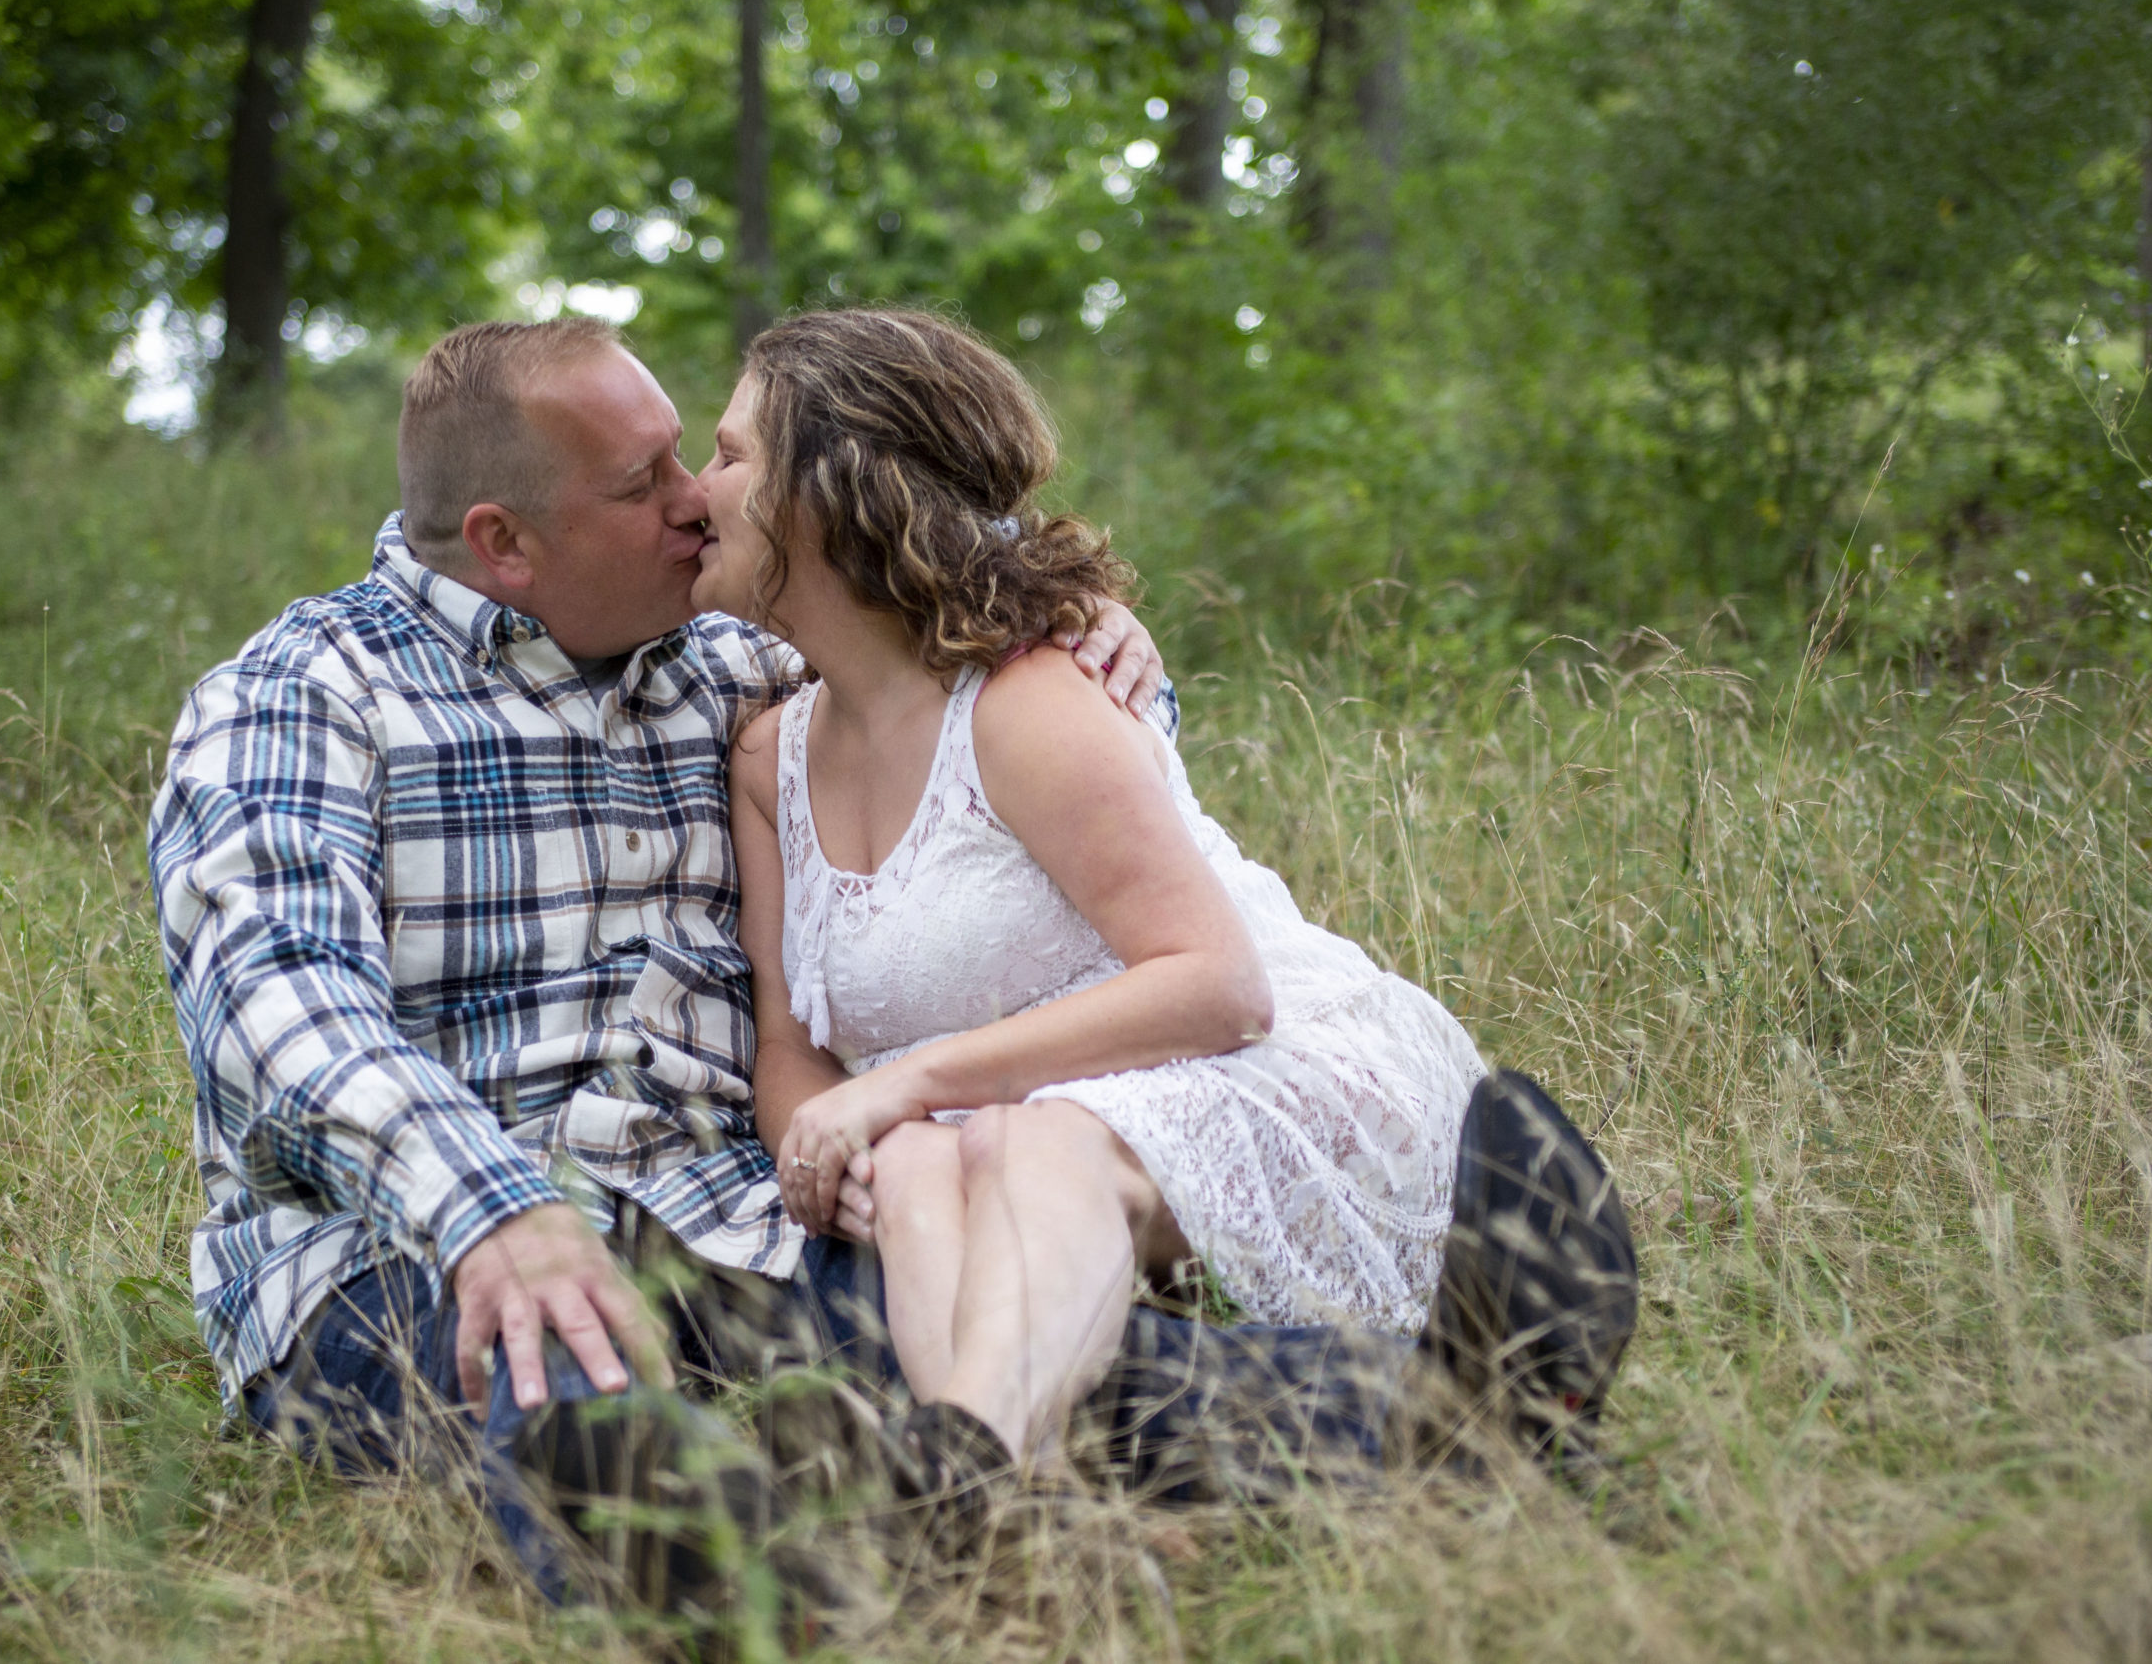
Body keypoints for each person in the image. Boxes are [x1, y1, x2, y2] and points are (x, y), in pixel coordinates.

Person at [148, 317, 1504, 1629]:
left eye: (692, 456)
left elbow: (939, 615)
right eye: (644, 483)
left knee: (1014, 1345)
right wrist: (496, 1206)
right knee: (565, 1363)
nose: (695, 504)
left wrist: (1084, 614)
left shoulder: (726, 654)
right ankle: (729, 1579)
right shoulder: (300, 696)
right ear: (505, 543)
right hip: (407, 1246)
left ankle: (1467, 1403)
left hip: (717, 1212)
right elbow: (279, 1002)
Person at [698, 306, 1638, 1498]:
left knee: (1025, 1137)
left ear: (827, 497)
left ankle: (966, 1470)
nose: (694, 487)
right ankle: (989, 1499)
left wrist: (902, 1084)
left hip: (1237, 1060)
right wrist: (827, 1144)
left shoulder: (1030, 702)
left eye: (728, 455)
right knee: (934, 1169)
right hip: (971, 1133)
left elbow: (1218, 986)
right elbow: (786, 1037)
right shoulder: (767, 759)